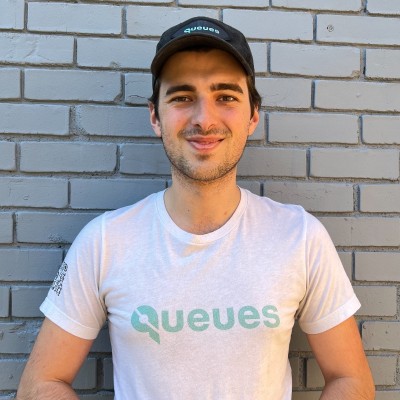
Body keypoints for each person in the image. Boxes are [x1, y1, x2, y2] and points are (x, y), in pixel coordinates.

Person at [17, 16, 375, 400]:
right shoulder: (105, 242)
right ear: (155, 116)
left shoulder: (300, 237)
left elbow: (350, 380)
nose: (204, 119)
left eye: (226, 97)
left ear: (253, 115)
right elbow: (40, 385)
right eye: (183, 97)